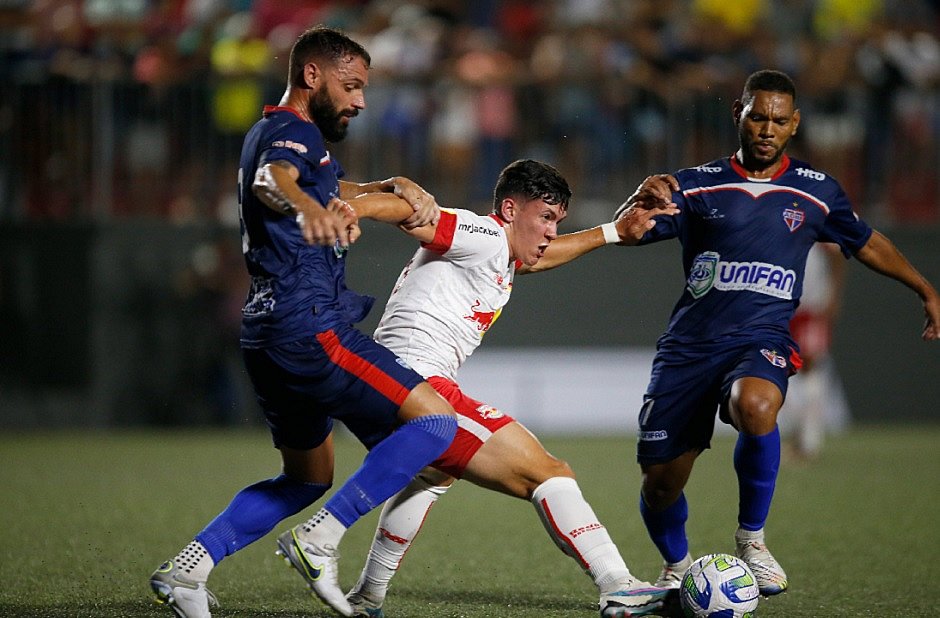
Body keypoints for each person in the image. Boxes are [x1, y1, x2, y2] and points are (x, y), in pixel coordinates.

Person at [149, 26, 460, 618]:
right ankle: (321, 539)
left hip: (264, 332)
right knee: (437, 426)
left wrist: (385, 187)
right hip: (308, 324)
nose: (360, 100)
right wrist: (310, 207)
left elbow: (317, 181)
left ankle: (189, 569)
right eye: (352, 86)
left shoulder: (274, 132)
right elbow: (276, 182)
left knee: (307, 475)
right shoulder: (292, 134)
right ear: (311, 76)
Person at [618, 69, 940, 597]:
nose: (768, 128)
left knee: (757, 405)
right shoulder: (698, 184)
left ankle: (752, 539)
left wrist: (923, 287)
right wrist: (639, 199)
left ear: (795, 124)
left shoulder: (816, 192)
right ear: (739, 116)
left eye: (779, 120)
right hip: (690, 348)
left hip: (759, 338)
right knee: (659, 484)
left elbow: (867, 242)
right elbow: (630, 231)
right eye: (758, 117)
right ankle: (677, 567)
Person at [340, 159, 680, 618]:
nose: (551, 233)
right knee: (549, 472)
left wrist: (614, 232)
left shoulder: (500, 255)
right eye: (544, 218)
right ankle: (618, 585)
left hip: (395, 381)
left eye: (557, 222)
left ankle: (365, 599)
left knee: (433, 474)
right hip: (417, 382)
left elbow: (543, 258)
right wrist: (350, 209)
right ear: (509, 209)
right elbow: (412, 214)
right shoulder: (481, 234)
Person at [780, 242, 849, 461]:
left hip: (811, 305)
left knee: (810, 366)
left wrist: (834, 294)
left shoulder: (817, 211)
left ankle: (809, 440)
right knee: (778, 366)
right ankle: (799, 435)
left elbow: (837, 253)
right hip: (778, 303)